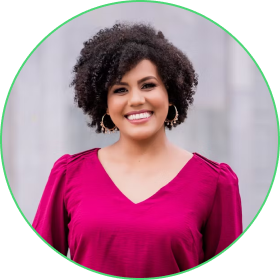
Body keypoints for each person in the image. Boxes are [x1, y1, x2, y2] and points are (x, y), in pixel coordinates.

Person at [32, 22, 242, 278]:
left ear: (170, 93)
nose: (136, 100)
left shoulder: (216, 183)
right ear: (105, 104)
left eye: (148, 85)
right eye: (120, 90)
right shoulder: (68, 175)